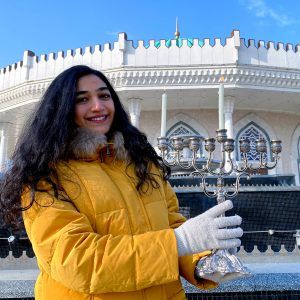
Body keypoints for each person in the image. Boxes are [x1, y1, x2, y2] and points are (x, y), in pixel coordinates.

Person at [0, 65, 243, 300]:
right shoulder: (45, 177)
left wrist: (202, 260)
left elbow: (171, 225)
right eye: (82, 99)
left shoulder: (141, 164)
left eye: (104, 96)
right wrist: (181, 242)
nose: (98, 106)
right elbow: (77, 261)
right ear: (62, 109)